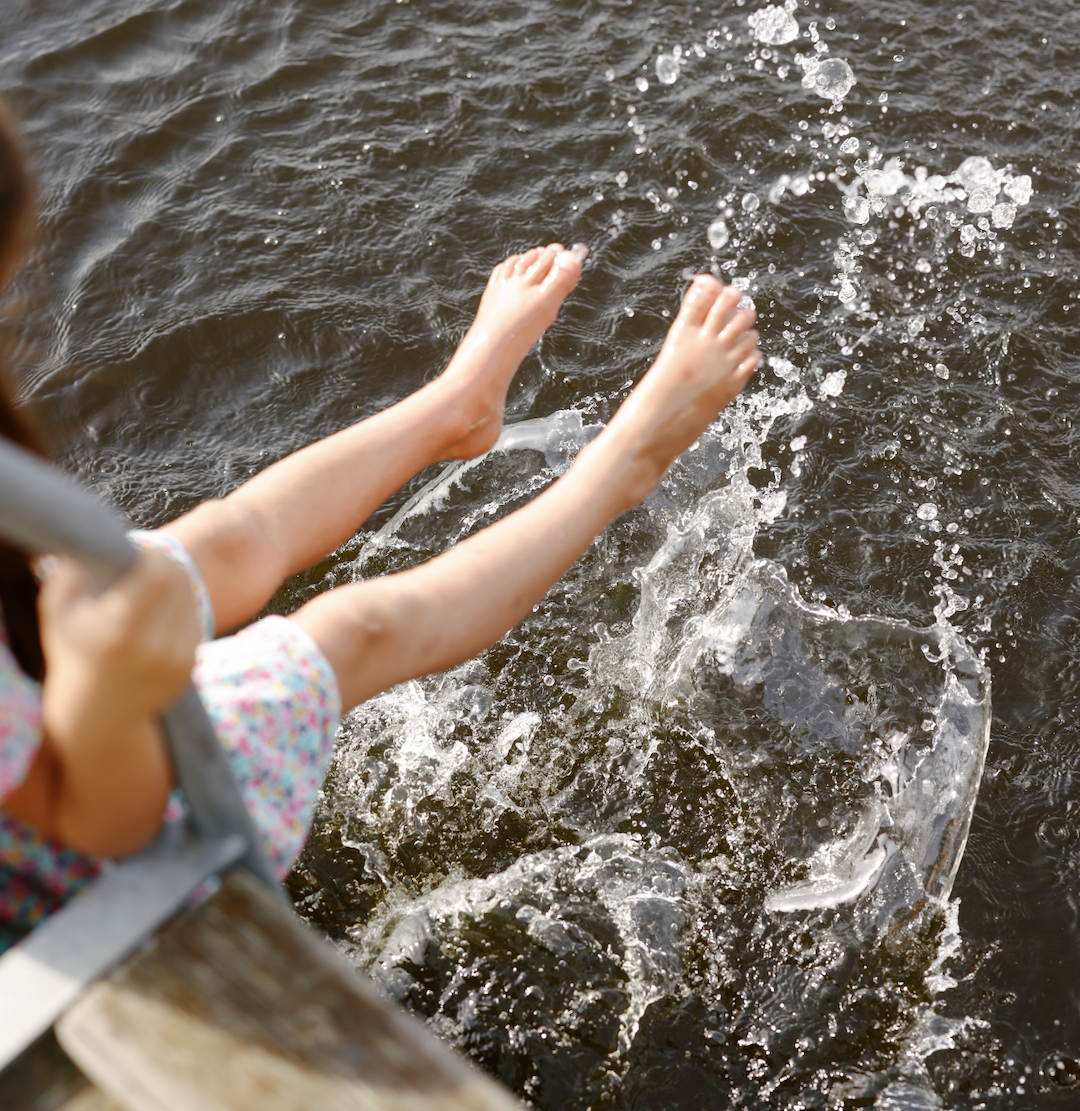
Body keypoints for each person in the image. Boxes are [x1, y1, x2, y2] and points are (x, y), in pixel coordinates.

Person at [0, 98, 760, 948]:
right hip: (79, 880)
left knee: (225, 536)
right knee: (354, 626)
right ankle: (622, 467)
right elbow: (105, 829)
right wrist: (106, 697)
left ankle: (454, 405)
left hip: (40, 716)